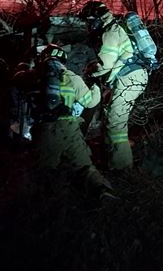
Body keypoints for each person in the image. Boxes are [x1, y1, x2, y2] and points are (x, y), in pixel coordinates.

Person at [30, 42, 114, 198]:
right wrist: (95, 88)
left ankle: (48, 205)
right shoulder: (73, 78)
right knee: (85, 167)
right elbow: (90, 102)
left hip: (46, 129)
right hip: (70, 127)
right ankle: (103, 193)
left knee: (44, 171)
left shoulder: (34, 76)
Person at [78, 1, 149, 172]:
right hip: (134, 76)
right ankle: (114, 160)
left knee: (116, 123)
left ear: (97, 19)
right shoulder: (117, 28)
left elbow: (105, 64)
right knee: (112, 119)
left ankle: (121, 167)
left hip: (129, 78)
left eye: (89, 21)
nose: (88, 25)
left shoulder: (110, 33)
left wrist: (89, 73)